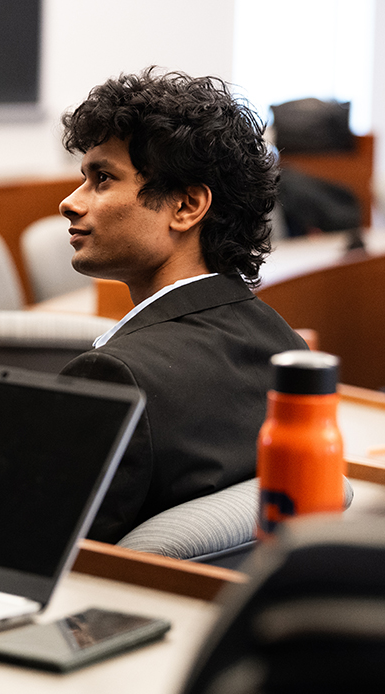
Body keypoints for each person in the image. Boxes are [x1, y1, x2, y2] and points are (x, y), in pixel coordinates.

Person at [58, 67, 307, 545]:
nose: (70, 203)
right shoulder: (282, 344)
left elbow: (41, 553)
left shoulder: (114, 377)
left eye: (102, 179)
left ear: (187, 206)